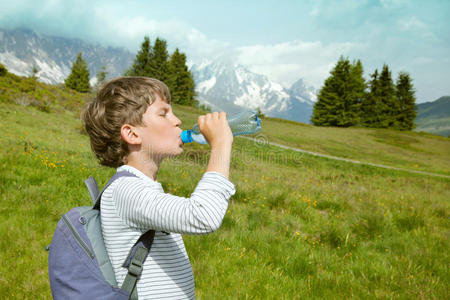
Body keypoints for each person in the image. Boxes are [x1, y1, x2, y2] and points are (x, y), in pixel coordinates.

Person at [81, 76, 235, 299]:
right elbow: (204, 215)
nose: (177, 121)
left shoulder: (142, 188)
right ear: (132, 134)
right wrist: (221, 145)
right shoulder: (125, 191)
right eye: (164, 113)